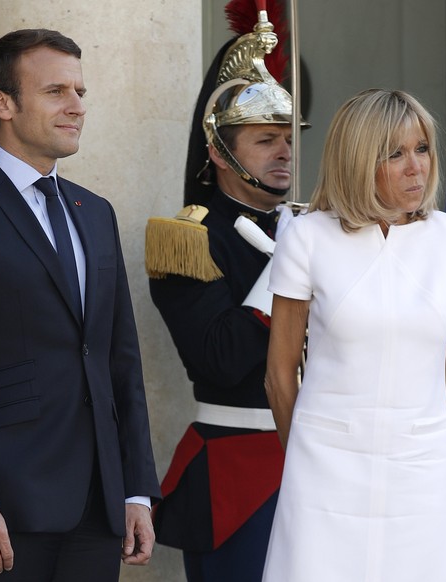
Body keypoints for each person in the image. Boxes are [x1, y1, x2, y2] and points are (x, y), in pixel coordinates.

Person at [0, 29, 160, 581]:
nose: (77, 107)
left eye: (81, 92)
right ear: (3, 104)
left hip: (98, 507)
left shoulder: (97, 213)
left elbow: (121, 362)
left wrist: (136, 487)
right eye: (56, 91)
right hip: (2, 508)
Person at [261, 89, 446, 581]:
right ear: (358, 160)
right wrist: (306, 457)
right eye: (394, 153)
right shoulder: (307, 236)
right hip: (323, 470)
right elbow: (279, 375)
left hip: (422, 470)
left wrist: (417, 438)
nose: (415, 167)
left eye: (422, 149)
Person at [144, 4, 306, 581]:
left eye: (291, 138)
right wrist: (291, 262)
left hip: (332, 462)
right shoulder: (187, 238)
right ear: (219, 151)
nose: (286, 153)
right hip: (243, 467)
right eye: (266, 139)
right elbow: (221, 356)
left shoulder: (318, 228)